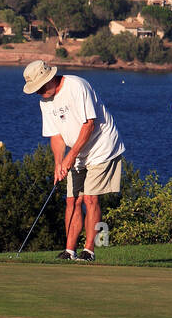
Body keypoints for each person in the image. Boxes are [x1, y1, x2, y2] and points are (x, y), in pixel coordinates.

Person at [23, 59, 124, 262]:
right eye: (35, 90)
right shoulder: (45, 100)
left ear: (50, 79)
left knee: (90, 199)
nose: (39, 92)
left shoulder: (77, 86)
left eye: (40, 87)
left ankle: (89, 251)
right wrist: (59, 163)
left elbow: (89, 125)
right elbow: (56, 136)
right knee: (72, 200)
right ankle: (69, 251)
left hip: (101, 147)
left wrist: (71, 156)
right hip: (78, 152)